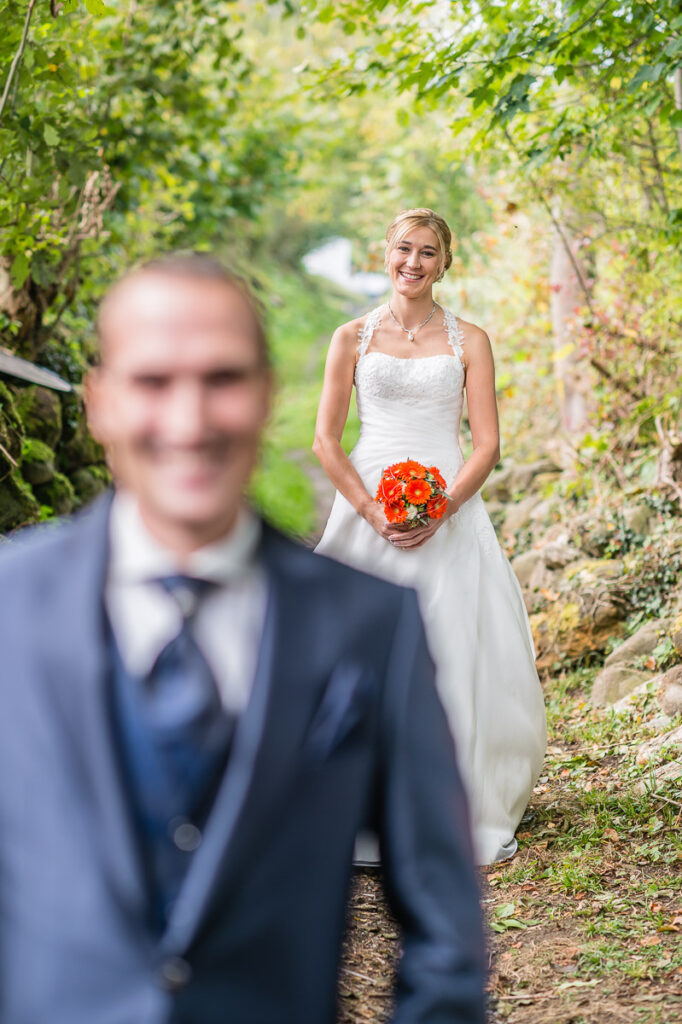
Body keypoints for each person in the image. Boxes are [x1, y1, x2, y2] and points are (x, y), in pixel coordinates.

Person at [0, 253, 486, 1024]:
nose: (189, 422)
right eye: (153, 381)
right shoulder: (12, 605)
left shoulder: (372, 625)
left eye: (222, 379)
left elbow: (445, 931)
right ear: (99, 403)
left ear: (265, 394)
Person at [314, 208, 547, 865]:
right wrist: (369, 510)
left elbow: (487, 444)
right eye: (403, 249)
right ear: (384, 253)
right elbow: (326, 441)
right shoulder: (350, 337)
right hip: (369, 502)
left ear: (445, 263)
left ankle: (451, 797)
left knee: (452, 644)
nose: (413, 262)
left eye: (427, 252)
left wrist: (441, 509)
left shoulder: (470, 340)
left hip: (449, 502)